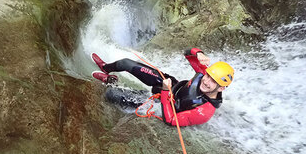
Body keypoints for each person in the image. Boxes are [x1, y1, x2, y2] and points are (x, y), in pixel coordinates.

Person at [91, 48, 234, 127]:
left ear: (221, 88)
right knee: (126, 63)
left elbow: (171, 120)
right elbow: (186, 52)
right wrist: (198, 53)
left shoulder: (204, 112)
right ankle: (105, 68)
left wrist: (165, 92)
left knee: (112, 94)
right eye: (208, 76)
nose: (206, 81)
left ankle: (112, 81)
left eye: (213, 82)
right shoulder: (204, 74)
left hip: (162, 105)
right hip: (170, 83)